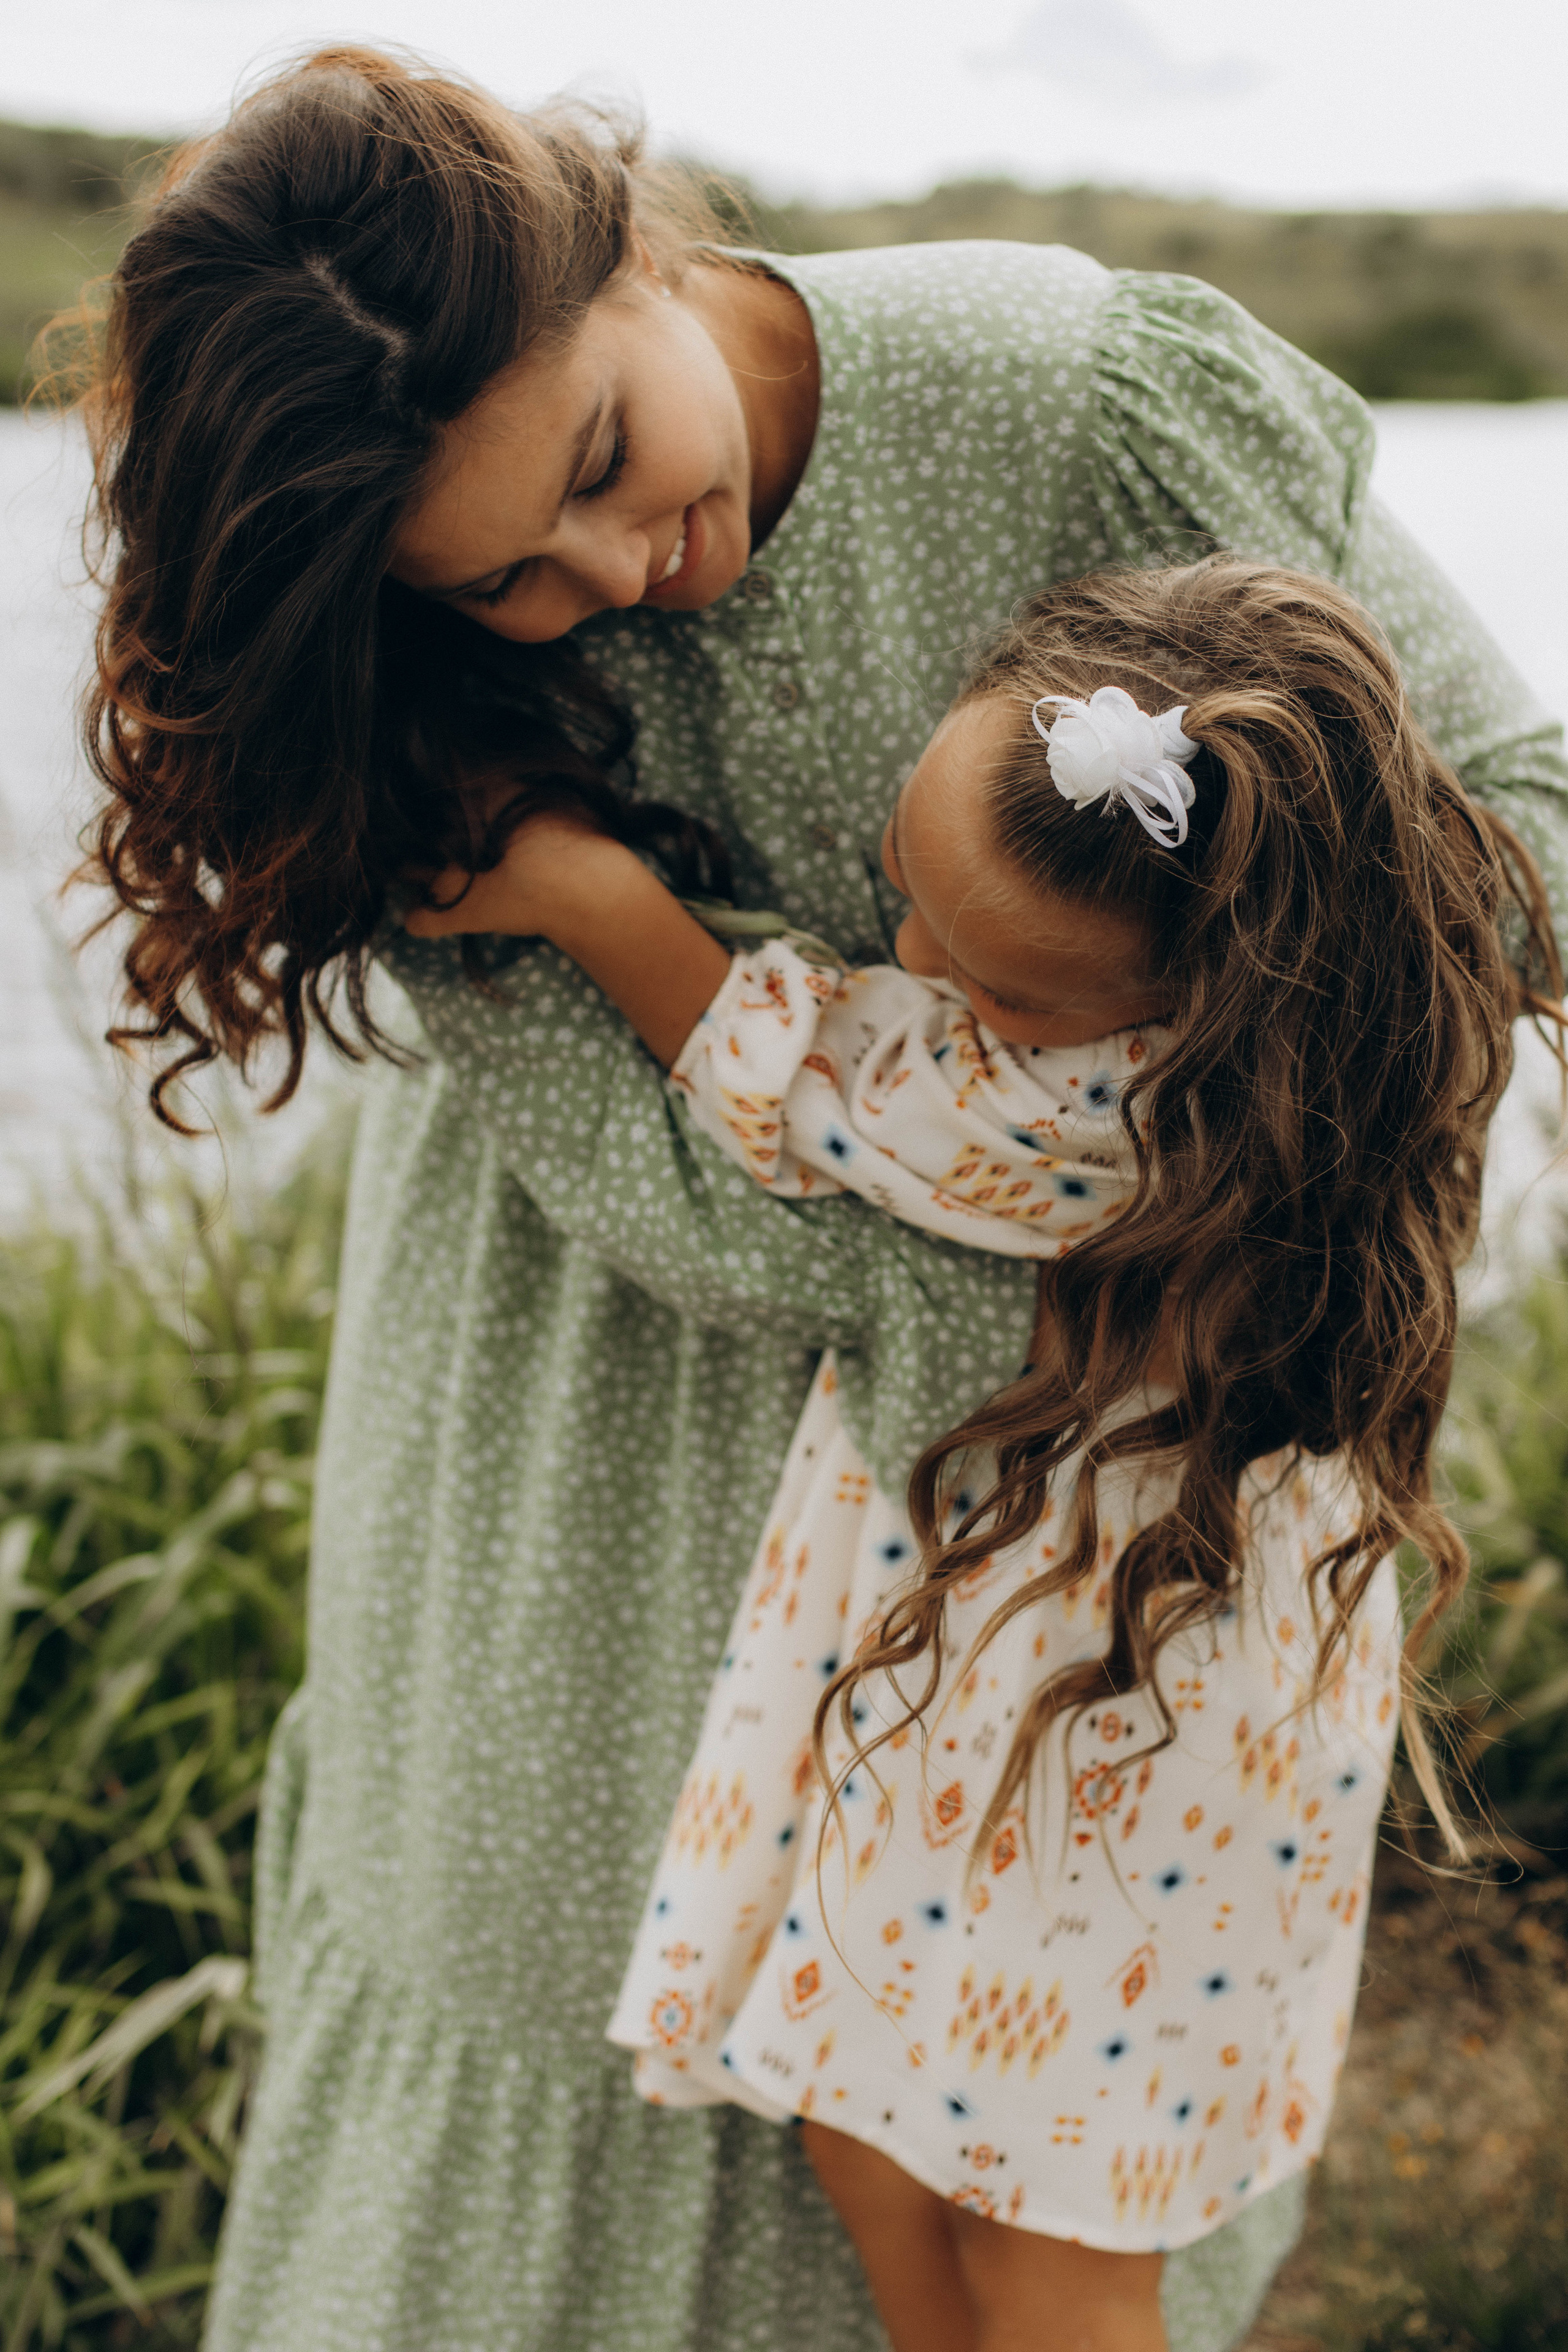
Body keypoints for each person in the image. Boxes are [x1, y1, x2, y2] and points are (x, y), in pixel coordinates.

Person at [71, 43, 1568, 2352]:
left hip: (1094, 1563)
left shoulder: (1073, 400)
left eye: (600, 461)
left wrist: (1211, 1096)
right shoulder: (374, 675)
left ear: (632, 238)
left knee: (1038, 2171)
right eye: (505, 584)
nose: (607, 572)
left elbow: (1519, 826)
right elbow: (722, 1228)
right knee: (664, 2086)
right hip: (576, 1492)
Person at [402, 554, 1562, 2351]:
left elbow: (794, 1071)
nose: (919, 970)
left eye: (1000, 994)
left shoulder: (1129, 1113)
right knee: (874, 2132)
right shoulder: (1298, 1029)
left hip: (1109, 1742)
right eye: (904, 899)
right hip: (1016, 1713)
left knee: (1050, 2236)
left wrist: (581, 889)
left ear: (1206, 997)